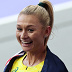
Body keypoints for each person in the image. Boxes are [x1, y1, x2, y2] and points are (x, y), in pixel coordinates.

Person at [4, 0, 68, 72]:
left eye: (30, 30)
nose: (23, 36)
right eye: (19, 29)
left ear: (46, 31)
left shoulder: (56, 68)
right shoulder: (13, 62)